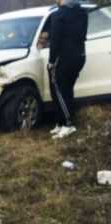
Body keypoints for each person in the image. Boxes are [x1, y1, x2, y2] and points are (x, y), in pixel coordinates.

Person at [48, 0, 88, 139]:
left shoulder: (57, 16)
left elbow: (55, 41)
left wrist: (51, 61)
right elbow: (81, 35)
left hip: (64, 58)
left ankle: (67, 124)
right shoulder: (83, 13)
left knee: (58, 90)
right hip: (80, 56)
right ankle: (61, 123)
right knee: (67, 89)